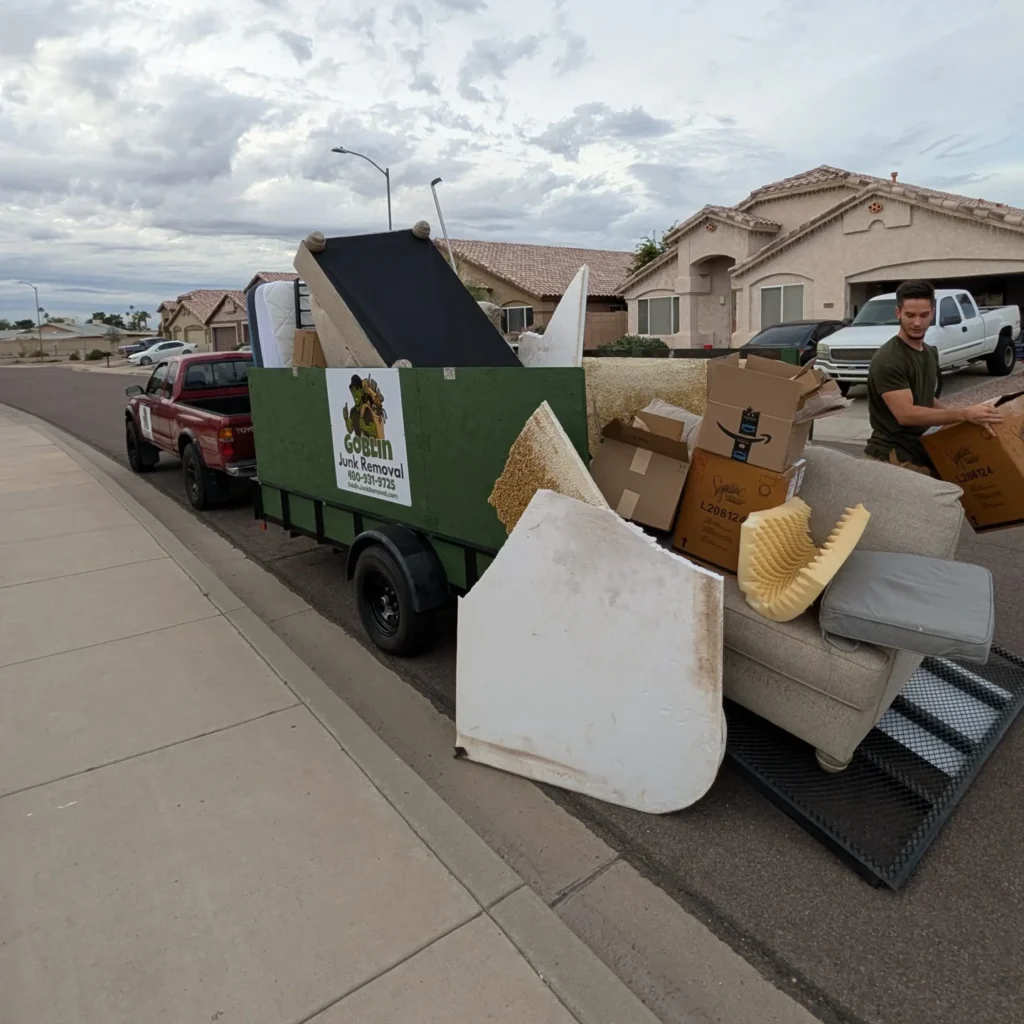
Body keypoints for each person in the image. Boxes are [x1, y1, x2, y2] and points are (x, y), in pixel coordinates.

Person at [864, 280, 1003, 475]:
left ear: (933, 313)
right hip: (891, 456)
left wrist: (963, 419)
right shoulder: (889, 359)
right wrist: (964, 414)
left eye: (924, 315)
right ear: (898, 313)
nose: (917, 323)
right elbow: (906, 414)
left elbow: (925, 399)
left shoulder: (929, 352)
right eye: (910, 315)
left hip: (921, 448)